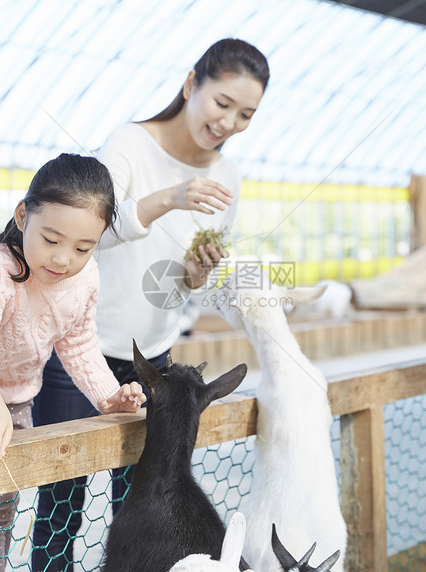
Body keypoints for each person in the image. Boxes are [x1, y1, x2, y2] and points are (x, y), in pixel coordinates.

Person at [32, 37, 270, 572]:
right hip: (79, 355)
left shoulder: (228, 177)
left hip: (154, 364)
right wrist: (173, 196)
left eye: (246, 114)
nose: (229, 122)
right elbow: (97, 228)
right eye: (222, 103)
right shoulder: (130, 144)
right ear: (191, 85)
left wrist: (198, 272)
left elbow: (183, 283)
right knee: (62, 502)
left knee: (139, 505)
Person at [0, 153, 146, 572]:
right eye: (51, 239)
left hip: (18, 389)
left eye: (83, 247)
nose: (63, 259)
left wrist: (110, 398)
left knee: (9, 488)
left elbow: (78, 346)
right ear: (23, 216)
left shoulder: (86, 278)